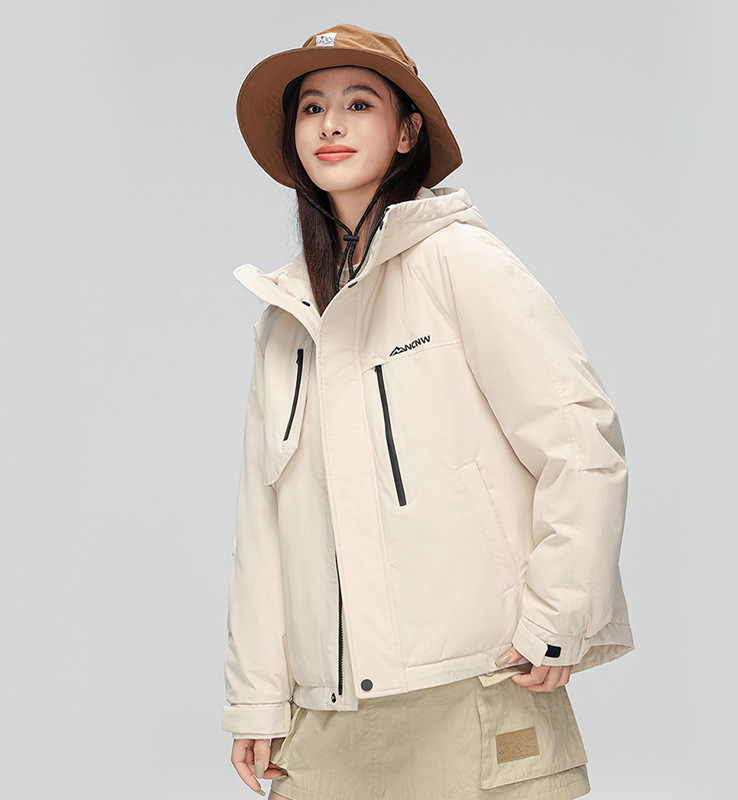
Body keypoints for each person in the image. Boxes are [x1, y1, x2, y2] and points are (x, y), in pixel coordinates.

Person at [222, 23, 635, 800]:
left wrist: (559, 616)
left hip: (477, 692)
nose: (331, 124)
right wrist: (257, 698)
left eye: (358, 104)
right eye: (311, 108)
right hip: (329, 718)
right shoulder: (285, 320)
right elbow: (264, 524)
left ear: (407, 132)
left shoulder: (459, 261)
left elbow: (578, 436)